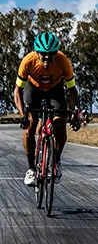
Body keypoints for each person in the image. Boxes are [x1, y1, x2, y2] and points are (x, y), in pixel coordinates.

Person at [14, 32, 82, 186]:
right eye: (43, 55)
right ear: (36, 53)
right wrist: (22, 114)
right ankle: (31, 169)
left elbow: (72, 90)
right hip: (34, 88)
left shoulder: (63, 62)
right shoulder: (28, 62)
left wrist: (73, 112)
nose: (46, 59)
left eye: (50, 55)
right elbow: (17, 91)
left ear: (56, 53)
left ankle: (56, 162)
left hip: (55, 89)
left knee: (60, 122)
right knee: (30, 124)